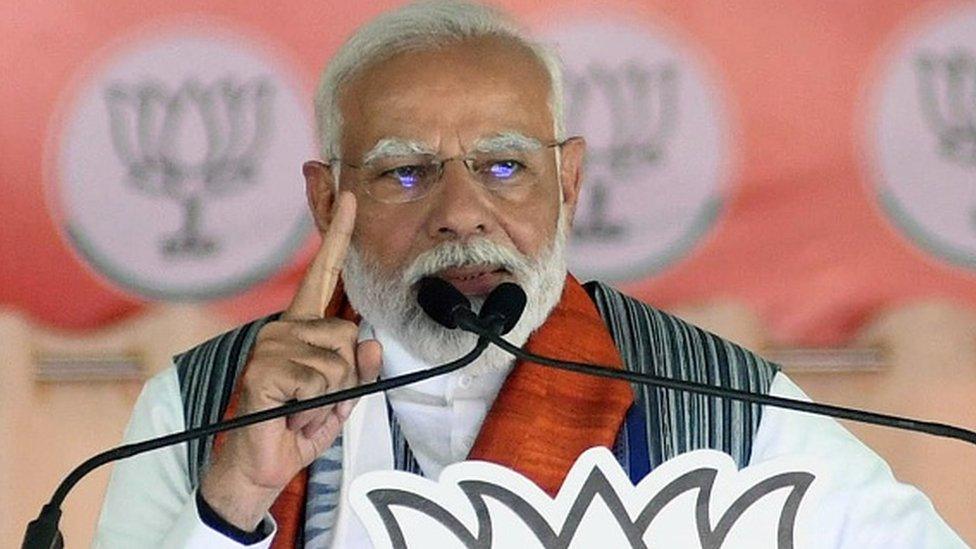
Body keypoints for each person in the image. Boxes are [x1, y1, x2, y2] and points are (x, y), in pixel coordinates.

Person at [94, 1, 964, 547]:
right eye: (405, 171)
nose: (462, 210)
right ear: (328, 202)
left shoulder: (724, 404)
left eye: (505, 166)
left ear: (571, 182)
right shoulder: (202, 405)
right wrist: (235, 492)